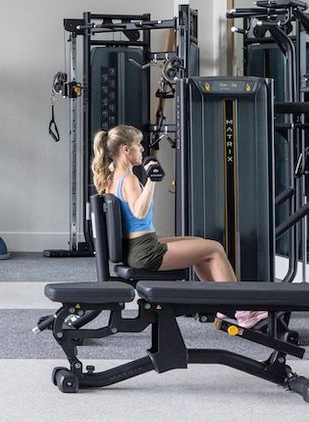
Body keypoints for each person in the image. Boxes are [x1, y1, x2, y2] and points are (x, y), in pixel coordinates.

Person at [91, 124, 267, 328]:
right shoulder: (128, 179)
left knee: (199, 244)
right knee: (215, 249)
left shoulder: (112, 178)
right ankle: (242, 310)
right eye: (138, 145)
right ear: (125, 149)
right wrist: (152, 181)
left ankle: (223, 304)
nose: (141, 149)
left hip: (138, 246)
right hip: (144, 251)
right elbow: (139, 211)